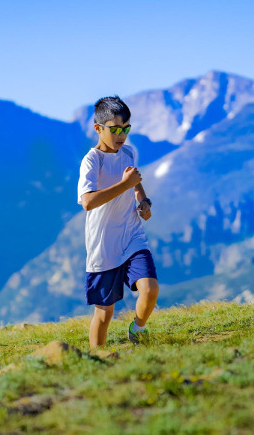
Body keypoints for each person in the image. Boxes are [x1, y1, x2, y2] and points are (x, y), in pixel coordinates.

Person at [78, 95, 159, 348]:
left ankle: (138, 329)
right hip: (103, 245)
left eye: (126, 129)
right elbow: (88, 201)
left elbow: (136, 185)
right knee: (104, 314)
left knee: (150, 289)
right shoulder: (92, 160)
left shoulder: (129, 152)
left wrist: (144, 203)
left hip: (132, 236)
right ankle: (97, 359)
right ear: (98, 129)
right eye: (115, 129)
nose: (121, 135)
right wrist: (123, 185)